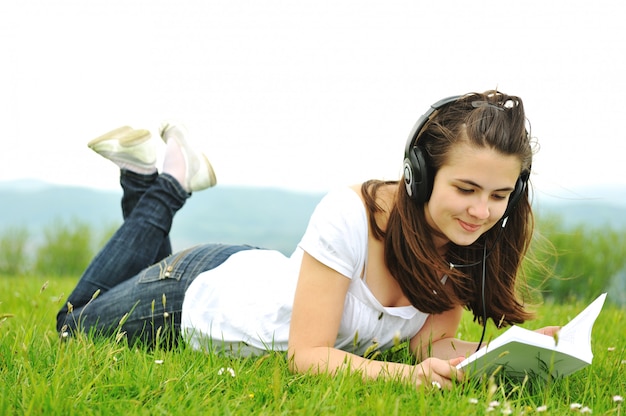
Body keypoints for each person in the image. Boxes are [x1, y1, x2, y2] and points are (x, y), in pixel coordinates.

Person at [57, 91, 559, 390]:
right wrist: (410, 379)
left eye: (498, 195)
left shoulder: (464, 240)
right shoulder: (352, 214)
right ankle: (168, 181)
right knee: (69, 327)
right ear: (420, 175)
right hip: (195, 296)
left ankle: (142, 176)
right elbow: (306, 354)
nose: (481, 211)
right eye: (465, 189)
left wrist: (515, 351)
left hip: (262, 277)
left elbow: (430, 343)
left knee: (118, 285)